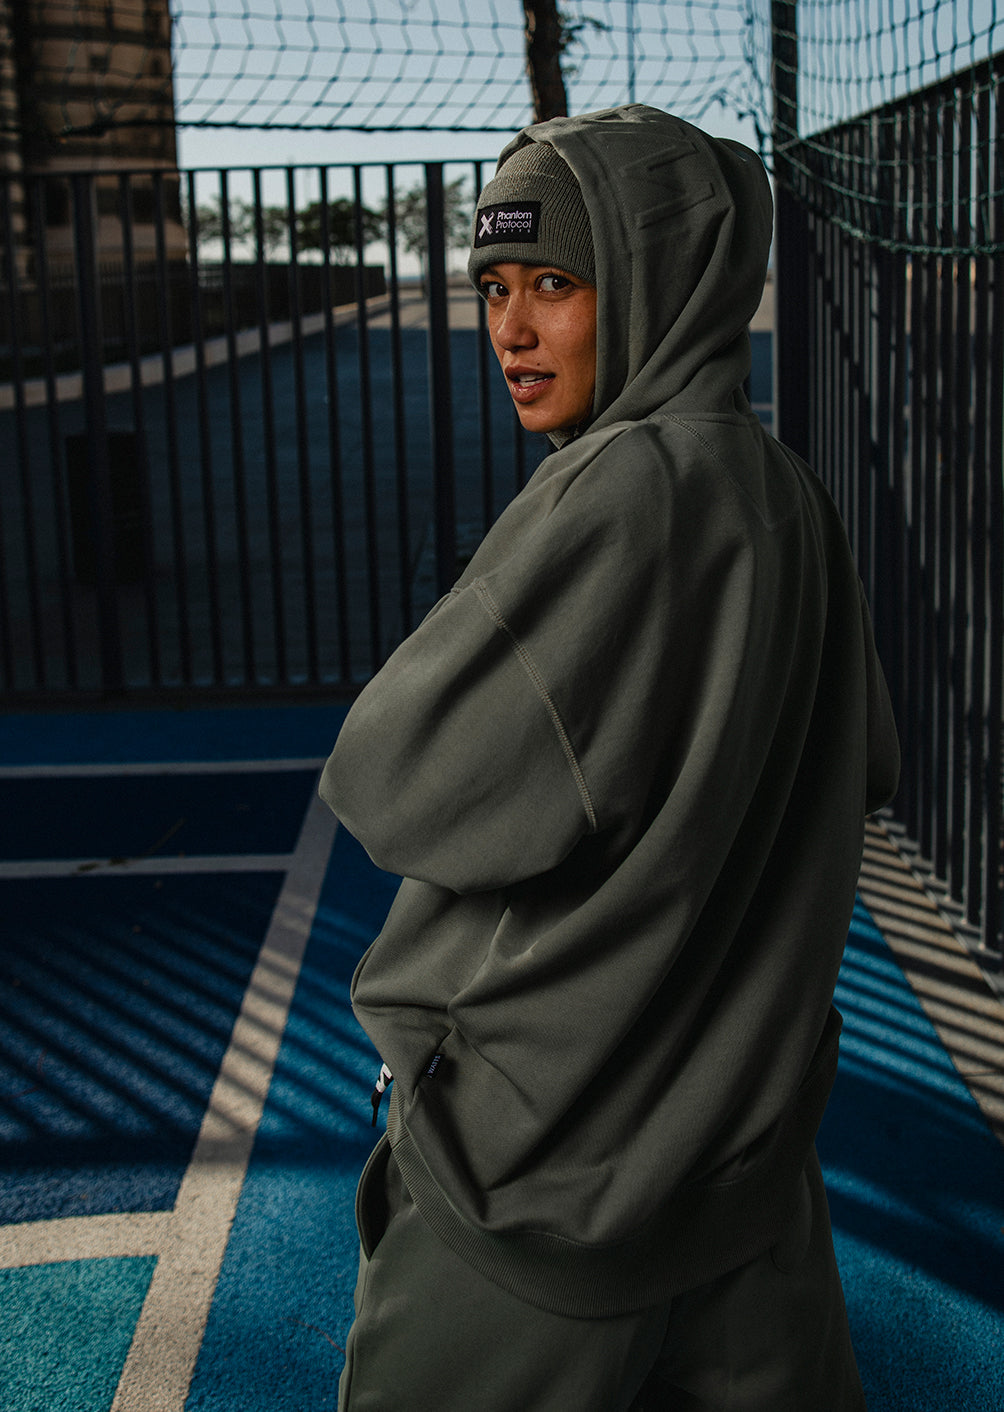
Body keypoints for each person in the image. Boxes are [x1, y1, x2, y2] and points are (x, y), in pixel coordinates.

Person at [318, 103, 900, 1411]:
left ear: (653, 281)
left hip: (547, 1190)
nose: (512, 331)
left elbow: (392, 781)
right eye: (495, 288)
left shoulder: (616, 491)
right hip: (744, 1181)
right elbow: (866, 761)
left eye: (558, 285)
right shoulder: (789, 492)